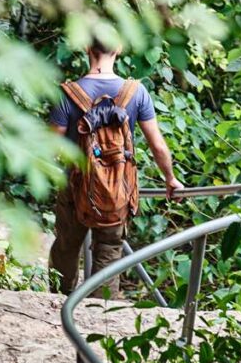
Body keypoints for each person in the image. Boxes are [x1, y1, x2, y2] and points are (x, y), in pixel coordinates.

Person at [48, 39, 183, 296]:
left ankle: (57, 305)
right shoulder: (136, 92)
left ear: (87, 48)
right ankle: (100, 316)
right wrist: (170, 178)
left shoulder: (67, 94)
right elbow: (158, 145)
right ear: (119, 48)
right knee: (109, 250)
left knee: (66, 247)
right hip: (117, 189)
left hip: (73, 187)